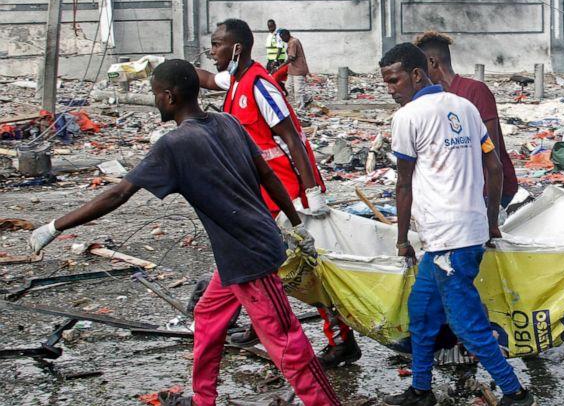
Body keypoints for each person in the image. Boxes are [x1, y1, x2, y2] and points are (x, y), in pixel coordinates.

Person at [29, 60, 340, 406]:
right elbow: (267, 175)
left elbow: (118, 194)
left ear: (170, 96)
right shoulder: (228, 122)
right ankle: (203, 399)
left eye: (155, 95)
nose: (155, 102)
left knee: (287, 343)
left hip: (250, 256)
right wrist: (295, 225)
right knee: (208, 315)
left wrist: (55, 226)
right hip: (237, 253)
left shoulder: (174, 144)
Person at [195, 18, 361, 368]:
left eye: (216, 45)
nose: (212, 51)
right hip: (263, 195)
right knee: (262, 265)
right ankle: (262, 323)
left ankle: (342, 340)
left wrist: (312, 194)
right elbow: (207, 79)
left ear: (236, 48)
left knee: (308, 270)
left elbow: (293, 139)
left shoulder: (260, 86)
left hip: (290, 195)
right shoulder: (235, 81)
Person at [379, 43, 533, 406]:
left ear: (417, 74)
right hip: (463, 234)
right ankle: (421, 390)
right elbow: (494, 167)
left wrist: (402, 239)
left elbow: (404, 184)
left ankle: (515, 393)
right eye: (386, 82)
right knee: (421, 313)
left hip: (447, 239)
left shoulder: (407, 117)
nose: (390, 90)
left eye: (394, 80)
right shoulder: (465, 107)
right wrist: (490, 219)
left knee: (467, 324)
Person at [413, 31, 519, 209]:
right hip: (460, 193)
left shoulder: (475, 91)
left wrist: (488, 202)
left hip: (489, 191)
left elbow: (491, 152)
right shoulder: (435, 99)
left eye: (420, 67)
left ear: (432, 62)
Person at [280, 29, 310, 111]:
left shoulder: (293, 42)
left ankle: (301, 109)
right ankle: (306, 99)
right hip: (292, 70)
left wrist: (281, 66)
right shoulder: (291, 41)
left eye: (282, 38)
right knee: (288, 88)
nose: (282, 40)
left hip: (298, 70)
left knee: (298, 91)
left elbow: (291, 57)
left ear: (286, 35)